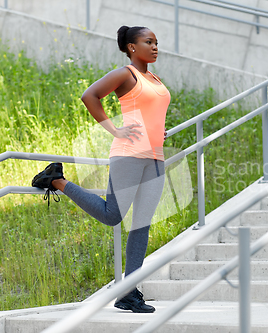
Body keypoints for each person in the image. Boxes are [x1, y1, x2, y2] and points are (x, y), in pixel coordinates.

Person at [31, 25, 170, 313]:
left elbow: (151, 112)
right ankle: (56, 180)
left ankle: (128, 292)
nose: (155, 47)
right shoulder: (126, 74)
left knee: (142, 224)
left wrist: (158, 131)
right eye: (148, 42)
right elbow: (90, 95)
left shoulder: (154, 78)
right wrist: (115, 130)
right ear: (132, 47)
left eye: (156, 42)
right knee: (113, 215)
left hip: (156, 157)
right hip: (129, 154)